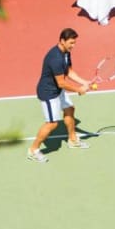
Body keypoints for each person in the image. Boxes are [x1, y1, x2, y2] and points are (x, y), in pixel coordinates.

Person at [28, 28, 91, 163]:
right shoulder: (55, 58)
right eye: (71, 43)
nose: (73, 46)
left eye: (75, 43)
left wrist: (84, 82)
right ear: (62, 41)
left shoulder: (66, 53)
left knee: (69, 109)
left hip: (57, 89)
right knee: (52, 124)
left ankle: (72, 140)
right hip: (49, 93)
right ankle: (33, 150)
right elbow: (61, 82)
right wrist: (79, 90)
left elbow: (69, 71)